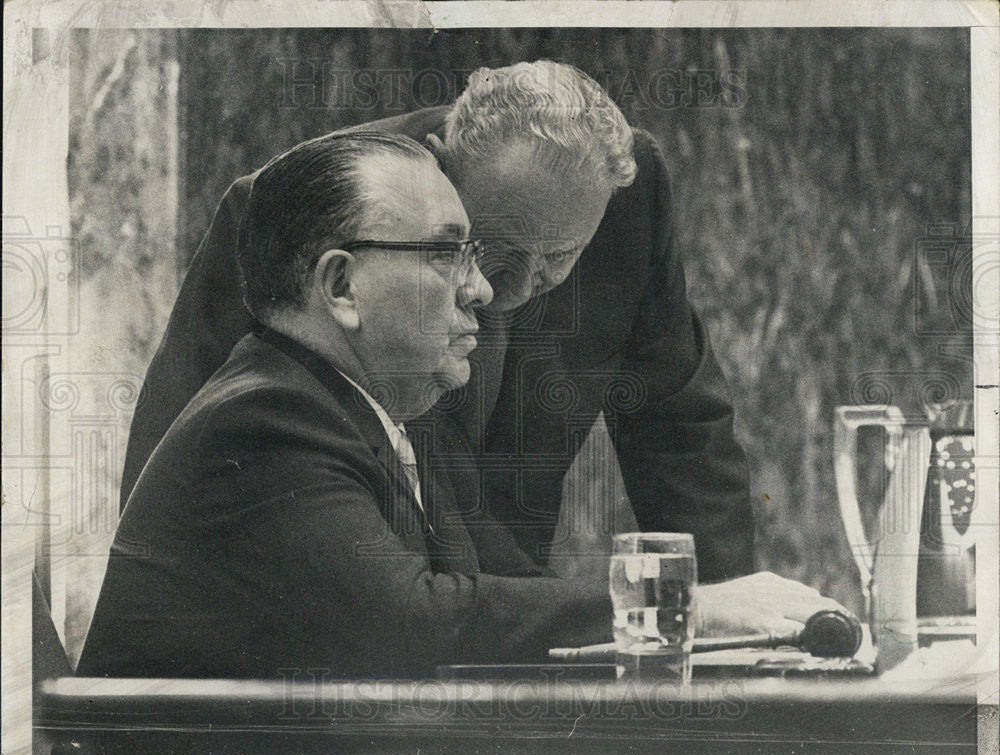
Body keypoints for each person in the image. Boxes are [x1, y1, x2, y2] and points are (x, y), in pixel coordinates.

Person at [78, 132, 844, 680]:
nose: (483, 290)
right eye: (448, 253)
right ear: (341, 288)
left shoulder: (375, 416)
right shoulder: (267, 423)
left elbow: (502, 587)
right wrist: (692, 609)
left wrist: (725, 615)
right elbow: (417, 624)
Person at [119, 61, 755, 582]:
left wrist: (740, 633)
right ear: (438, 165)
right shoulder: (288, 211)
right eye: (480, 246)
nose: (495, 291)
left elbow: (680, 430)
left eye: (558, 260)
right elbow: (176, 470)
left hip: (510, 618)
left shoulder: (619, 197)